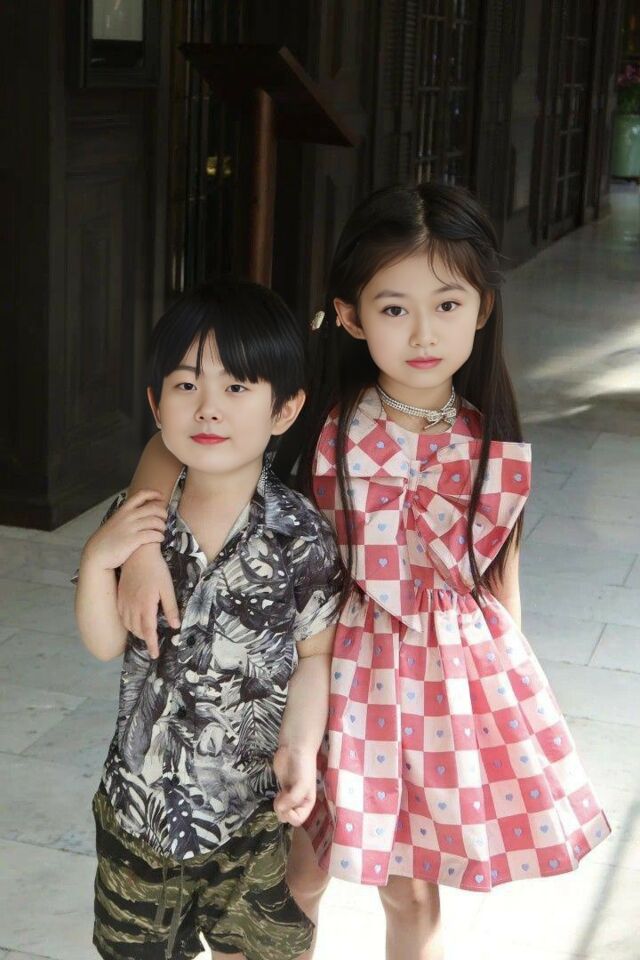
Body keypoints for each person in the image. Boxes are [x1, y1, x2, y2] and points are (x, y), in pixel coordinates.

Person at [117, 184, 611, 960]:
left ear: (483, 308)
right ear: (350, 317)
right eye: (394, 308)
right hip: (326, 671)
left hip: (440, 685)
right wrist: (141, 550)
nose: (424, 332)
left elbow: (497, 576)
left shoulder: (491, 441)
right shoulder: (317, 416)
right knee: (295, 873)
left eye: (447, 305)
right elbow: (172, 446)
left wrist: (508, 694)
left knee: (410, 888)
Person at [74, 280, 343, 960]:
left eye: (237, 387)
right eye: (187, 385)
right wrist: (101, 555)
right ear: (155, 405)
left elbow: (316, 655)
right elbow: (104, 643)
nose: (209, 407)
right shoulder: (138, 520)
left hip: (249, 816)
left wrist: (301, 748)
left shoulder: (301, 537)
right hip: (139, 810)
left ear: (285, 410)